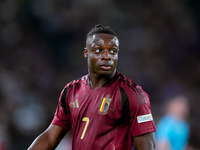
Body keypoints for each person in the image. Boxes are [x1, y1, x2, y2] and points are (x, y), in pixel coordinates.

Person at [27, 24, 156, 150]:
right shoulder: (71, 91)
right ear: (86, 52)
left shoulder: (132, 94)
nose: (107, 56)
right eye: (99, 50)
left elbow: (148, 146)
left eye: (113, 51)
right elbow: (51, 137)